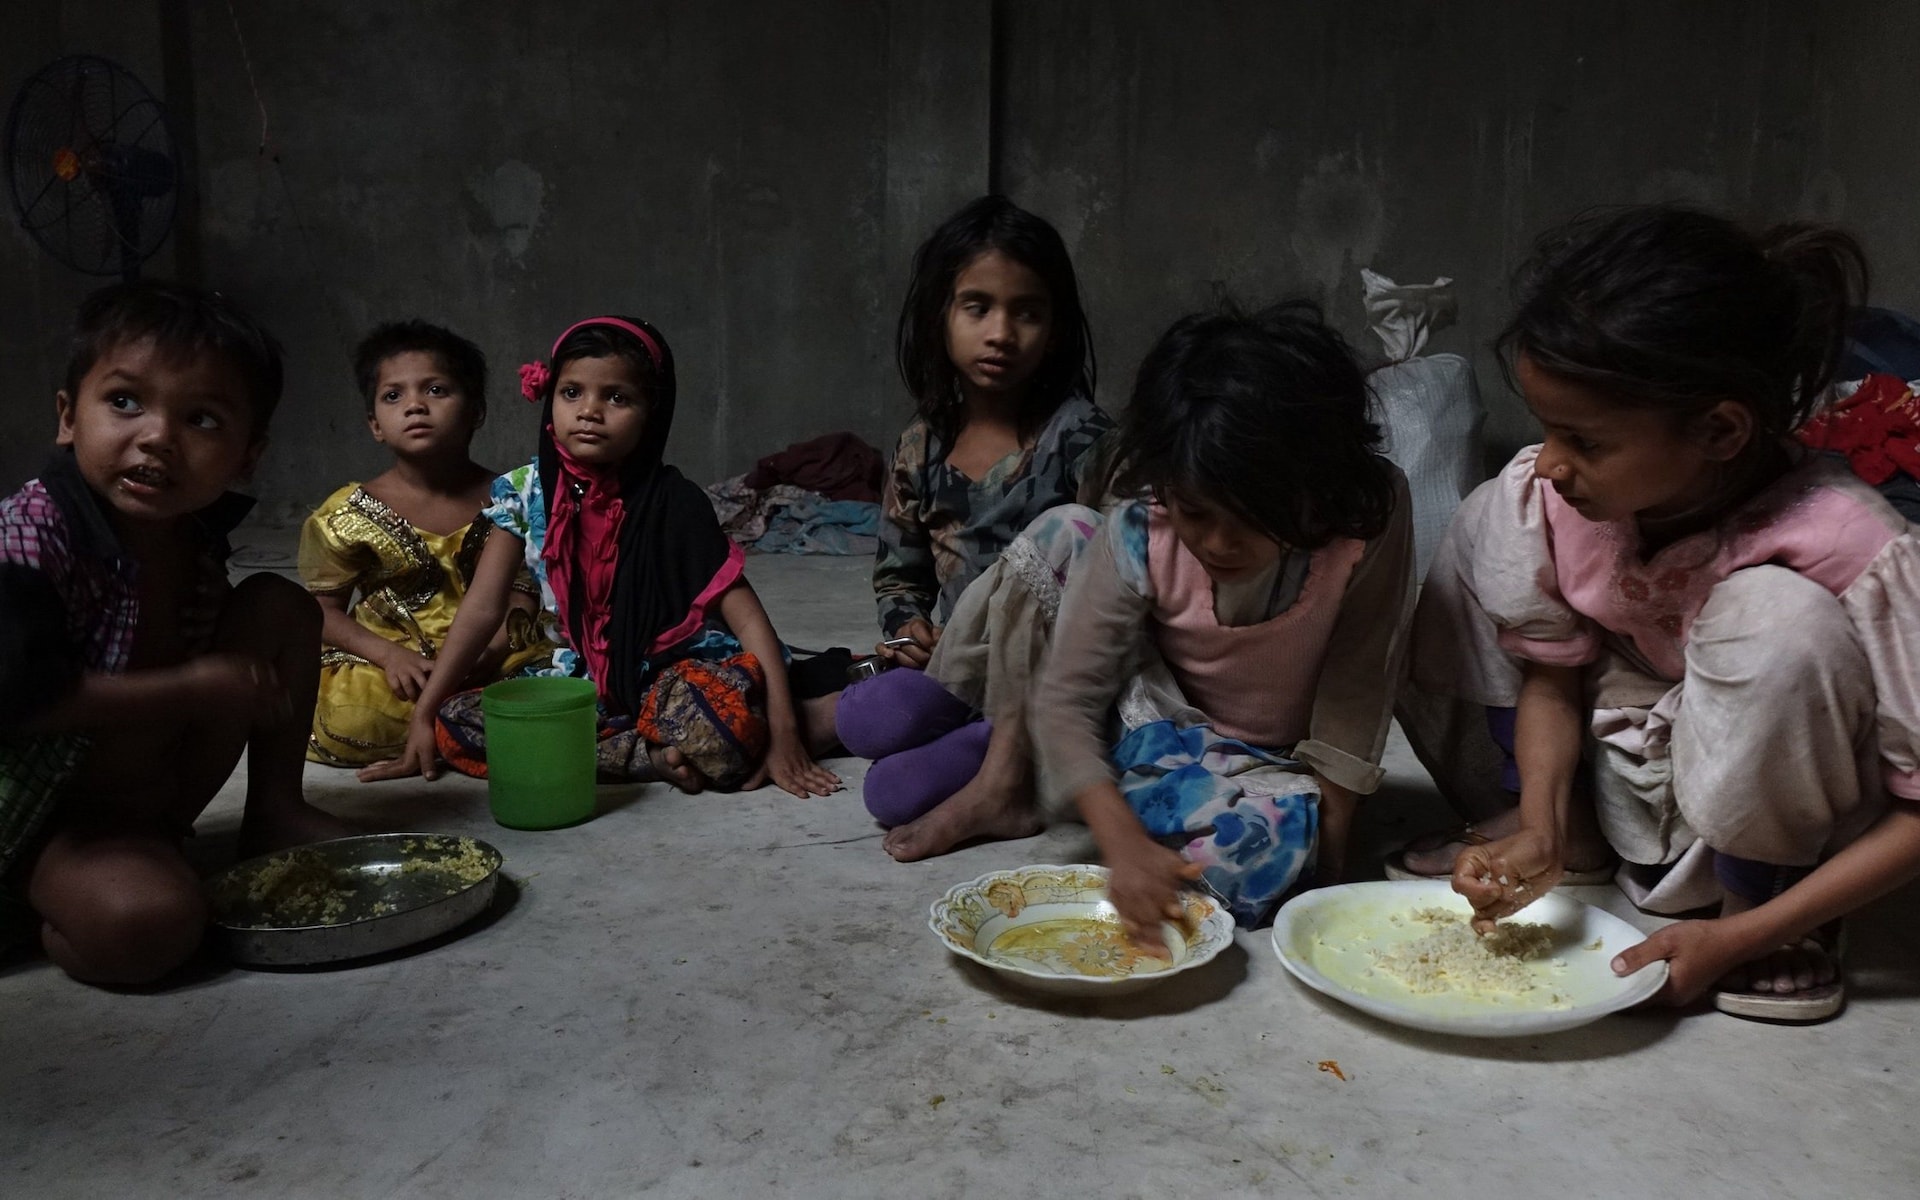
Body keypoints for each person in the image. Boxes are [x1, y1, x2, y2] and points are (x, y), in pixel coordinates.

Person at [1405, 206, 1920, 1021]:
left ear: (1719, 429)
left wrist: (1742, 941)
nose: (1554, 461)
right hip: (1624, 747)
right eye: (1547, 427)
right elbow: (1550, 667)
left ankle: (1762, 908)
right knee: (1486, 514)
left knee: (1779, 619)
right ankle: (1566, 833)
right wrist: (1540, 818)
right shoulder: (1558, 495)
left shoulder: (1856, 544)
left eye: (1586, 440)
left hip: (1774, 786)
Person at [1028, 302, 1413, 947]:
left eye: (1250, 514)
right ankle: (1002, 768)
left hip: (1274, 756)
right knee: (1061, 542)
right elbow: (1067, 699)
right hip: (1163, 722)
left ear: (1316, 484)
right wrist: (1120, 844)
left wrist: (1331, 867)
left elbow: (1357, 690)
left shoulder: (1366, 513)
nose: (1217, 542)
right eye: (1196, 511)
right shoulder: (1143, 520)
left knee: (1269, 861)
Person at [0, 281, 348, 984]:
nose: (158, 436)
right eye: (124, 401)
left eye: (202, 419)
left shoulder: (190, 527)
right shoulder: (30, 538)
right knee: (148, 927)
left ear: (248, 454)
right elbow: (21, 696)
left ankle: (276, 810)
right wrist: (189, 687)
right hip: (47, 823)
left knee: (279, 605)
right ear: (68, 418)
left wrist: (208, 626)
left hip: (148, 797)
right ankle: (30, 905)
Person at [360, 315, 840, 797]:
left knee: (718, 727)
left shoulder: (673, 502)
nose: (589, 411)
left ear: (651, 412)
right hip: (580, 683)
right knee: (456, 724)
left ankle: (790, 721)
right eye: (572, 393)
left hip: (667, 675)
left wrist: (785, 734)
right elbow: (483, 610)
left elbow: (750, 621)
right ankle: (650, 757)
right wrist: (424, 713)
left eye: (616, 397)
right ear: (550, 401)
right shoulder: (526, 493)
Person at [837, 195, 1113, 860]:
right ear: (940, 314)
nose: (1001, 333)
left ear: (1056, 327)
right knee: (864, 716)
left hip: (1051, 679)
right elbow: (899, 572)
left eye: (1027, 312)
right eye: (978, 306)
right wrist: (909, 628)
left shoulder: (1080, 438)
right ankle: (989, 740)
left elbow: (1116, 577)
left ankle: (1015, 762)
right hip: (960, 665)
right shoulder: (922, 444)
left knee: (894, 792)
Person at [299, 321, 548, 766]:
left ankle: (456, 727)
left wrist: (490, 651)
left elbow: (523, 592)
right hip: (394, 662)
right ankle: (458, 734)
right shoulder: (347, 512)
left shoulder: (513, 496)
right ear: (375, 425)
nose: (414, 406)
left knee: (555, 692)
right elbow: (321, 610)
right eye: (393, 396)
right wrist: (390, 657)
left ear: (476, 411)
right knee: (354, 719)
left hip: (493, 650)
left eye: (436, 390)